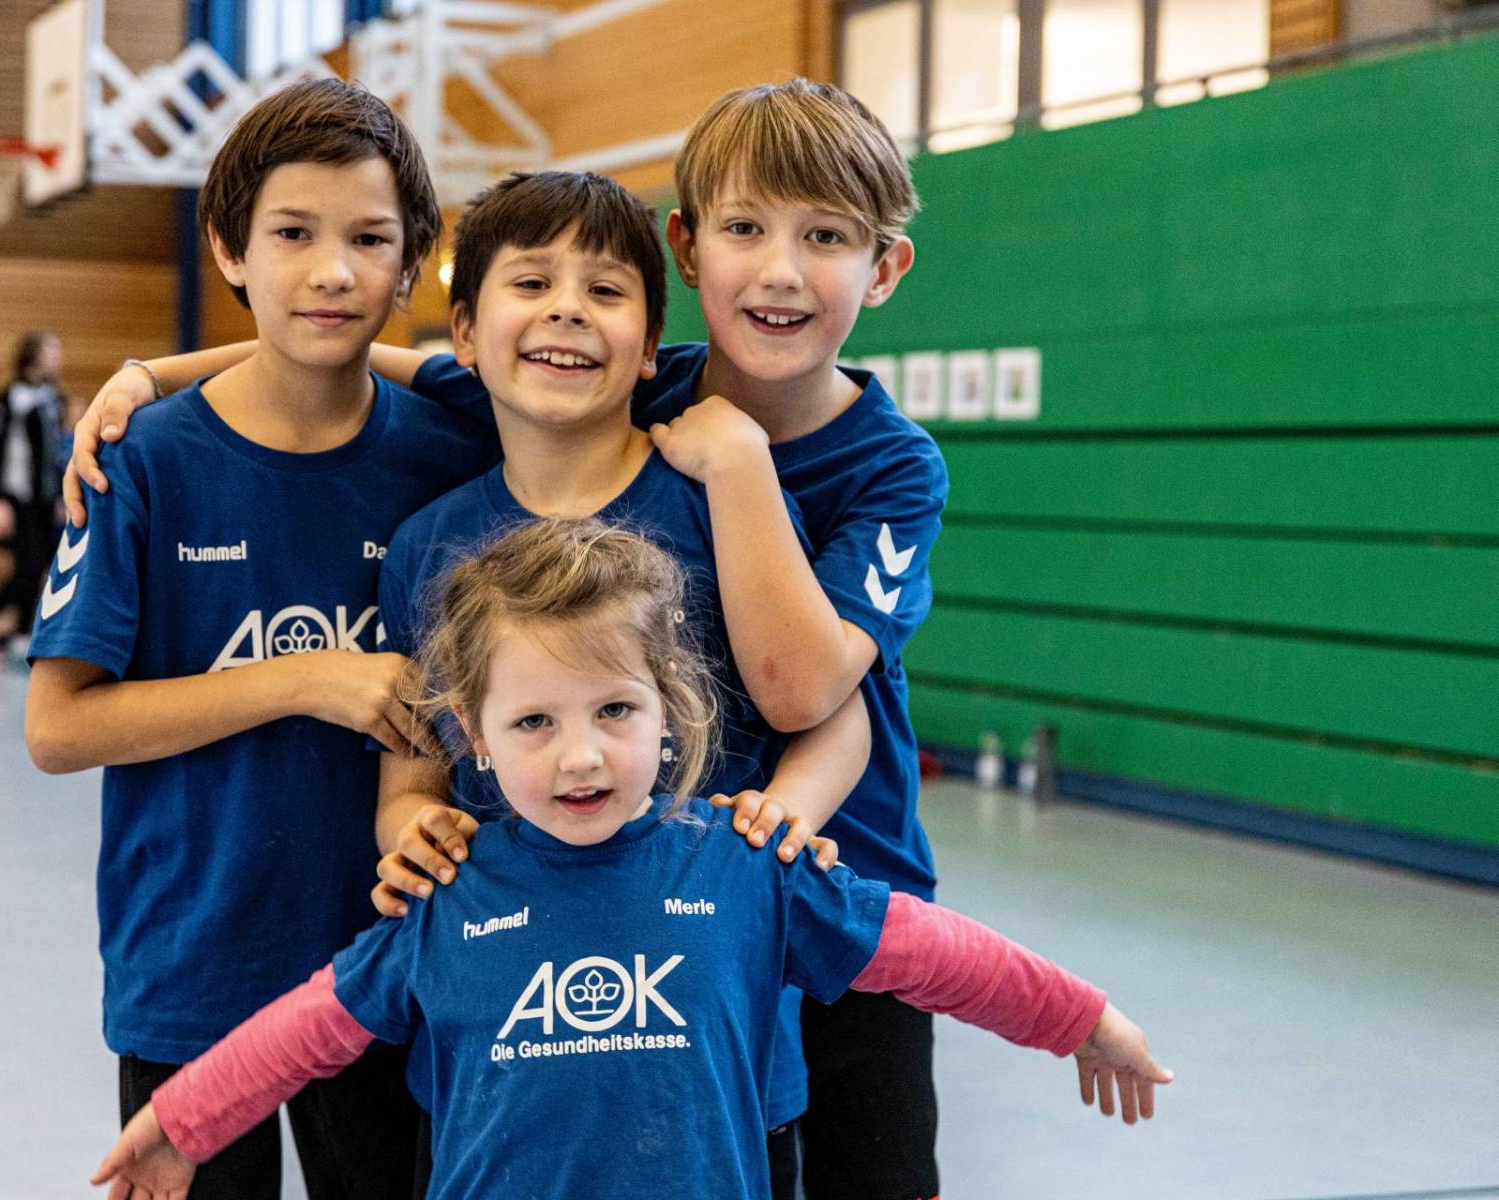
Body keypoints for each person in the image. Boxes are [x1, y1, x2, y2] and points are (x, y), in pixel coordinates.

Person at [67, 78, 961, 1199]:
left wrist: (738, 466)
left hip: (834, 879)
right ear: (691, 251)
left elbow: (811, 701)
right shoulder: (630, 387)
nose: (780, 270)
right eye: (747, 229)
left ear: (883, 266)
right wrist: (150, 376)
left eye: (824, 237)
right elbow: (359, 350)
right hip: (586, 939)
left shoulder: (851, 466)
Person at [90, 519, 1172, 1200]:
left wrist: (1080, 1019)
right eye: (534, 723)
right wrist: (182, 1125)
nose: (581, 756)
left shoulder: (748, 868)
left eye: (615, 710)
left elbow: (931, 954)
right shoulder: (448, 898)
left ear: (671, 709)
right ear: (471, 735)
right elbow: (306, 1030)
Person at [23, 79, 497, 1200]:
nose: (332, 271)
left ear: (412, 264)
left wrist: (153, 362)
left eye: (369, 240)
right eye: (292, 234)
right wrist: (299, 681)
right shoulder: (140, 459)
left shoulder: (455, 450)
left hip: (390, 966)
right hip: (196, 965)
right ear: (229, 248)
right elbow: (57, 728)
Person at [356, 169, 872, 1193]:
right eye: (531, 283)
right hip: (500, 1068)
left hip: (714, 1063)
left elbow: (833, 712)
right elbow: (411, 772)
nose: (566, 310)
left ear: (649, 350)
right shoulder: (425, 544)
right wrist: (410, 828)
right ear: (464, 336)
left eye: (603, 290)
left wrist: (785, 813)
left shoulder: (722, 498)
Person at [0, 330, 70, 665]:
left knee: (46, 563)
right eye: (52, 352)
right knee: (29, 563)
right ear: (34, 355)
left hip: (47, 496)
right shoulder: (11, 397)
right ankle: (6, 625)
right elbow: (2, 451)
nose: (58, 359)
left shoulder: (54, 397)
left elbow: (55, 452)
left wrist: (62, 494)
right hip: (19, 494)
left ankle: (4, 625)